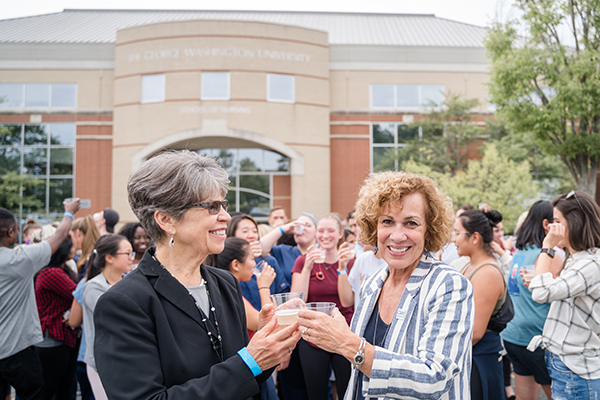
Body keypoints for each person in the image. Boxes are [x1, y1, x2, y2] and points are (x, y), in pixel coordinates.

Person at [93, 150, 301, 399]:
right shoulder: (125, 302)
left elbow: (242, 379)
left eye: (223, 204)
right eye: (211, 207)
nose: (225, 216)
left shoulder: (225, 283)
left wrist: (267, 348)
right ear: (167, 219)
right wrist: (250, 361)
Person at [297, 171, 474, 399]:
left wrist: (348, 344)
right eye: (387, 221)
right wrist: (337, 335)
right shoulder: (372, 284)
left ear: (429, 230)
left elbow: (434, 379)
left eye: (411, 223)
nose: (397, 236)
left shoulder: (449, 285)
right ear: (374, 227)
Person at [0, 199, 80, 400]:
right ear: (11, 233)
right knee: (35, 394)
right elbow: (60, 235)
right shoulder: (19, 259)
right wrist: (69, 212)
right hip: (17, 348)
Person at [528, 190, 600, 399]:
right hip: (568, 362)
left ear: (575, 222)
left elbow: (540, 293)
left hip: (575, 366)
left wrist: (547, 247)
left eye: (557, 221)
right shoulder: (581, 258)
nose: (551, 227)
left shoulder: (590, 264)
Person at [501, 200, 563, 400]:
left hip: (514, 335)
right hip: (538, 339)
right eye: (557, 221)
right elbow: (559, 298)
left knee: (524, 397)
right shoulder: (548, 256)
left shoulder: (519, 251)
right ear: (546, 225)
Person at [291, 213, 355, 400]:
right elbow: (296, 299)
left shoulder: (350, 260)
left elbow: (347, 301)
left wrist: (342, 267)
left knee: (347, 388)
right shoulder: (303, 261)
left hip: (343, 331)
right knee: (315, 391)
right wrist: (308, 268)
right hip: (312, 333)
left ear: (340, 233)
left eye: (331, 231)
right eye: (321, 231)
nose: (325, 236)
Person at [215, 237, 279, 400]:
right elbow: (267, 324)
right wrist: (264, 286)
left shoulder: (220, 288)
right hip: (248, 368)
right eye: (251, 258)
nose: (254, 263)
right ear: (236, 265)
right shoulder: (229, 294)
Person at [454, 209, 507, 400]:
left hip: (479, 358)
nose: (454, 239)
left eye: (457, 233)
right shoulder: (470, 265)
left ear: (475, 237)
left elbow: (476, 332)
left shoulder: (487, 273)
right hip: (468, 355)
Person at [82, 235, 134, 399]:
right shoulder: (94, 287)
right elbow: (117, 318)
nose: (131, 258)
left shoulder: (129, 281)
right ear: (109, 257)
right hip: (101, 363)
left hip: (127, 359)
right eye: (127, 253)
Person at [34, 235, 79, 400]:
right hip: (52, 340)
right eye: (72, 246)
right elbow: (78, 293)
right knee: (51, 391)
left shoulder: (59, 270)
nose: (74, 250)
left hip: (59, 338)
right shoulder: (51, 273)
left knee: (62, 390)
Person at [226, 214, 288, 310]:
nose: (251, 235)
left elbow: (282, 294)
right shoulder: (226, 263)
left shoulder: (269, 261)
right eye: (245, 231)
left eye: (255, 231)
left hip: (270, 318)